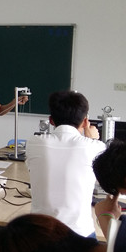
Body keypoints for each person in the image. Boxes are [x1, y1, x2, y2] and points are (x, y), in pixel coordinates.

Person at [26, 90, 105, 237]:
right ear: (85, 122)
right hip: (80, 235)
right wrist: (93, 139)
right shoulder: (95, 147)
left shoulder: (34, 143)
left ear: (51, 120)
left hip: (39, 235)